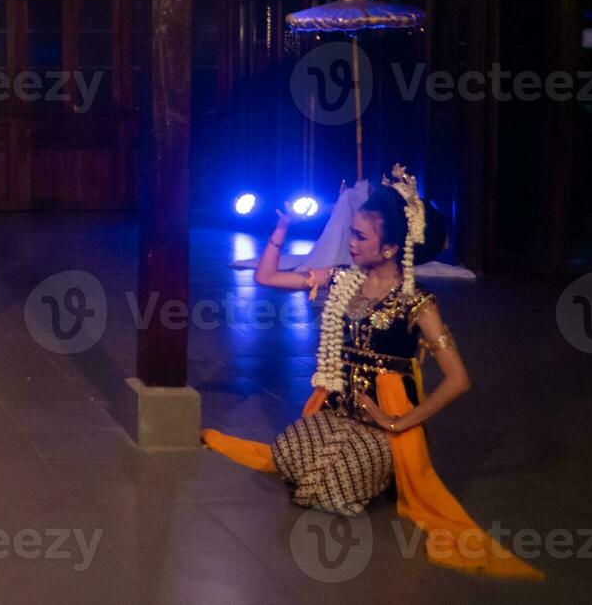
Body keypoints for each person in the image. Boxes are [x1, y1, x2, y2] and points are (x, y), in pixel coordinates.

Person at [203, 165, 540, 580]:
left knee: (327, 487)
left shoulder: (417, 304)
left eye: (360, 236)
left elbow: (458, 379)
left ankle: (385, 468)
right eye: (352, 233)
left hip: (384, 428)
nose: (351, 243)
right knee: (291, 453)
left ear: (389, 249)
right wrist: (281, 230)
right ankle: (359, 466)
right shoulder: (344, 279)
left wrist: (397, 421)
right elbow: (266, 276)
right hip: (340, 413)